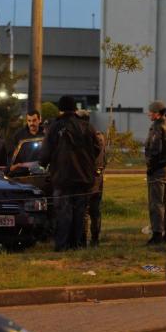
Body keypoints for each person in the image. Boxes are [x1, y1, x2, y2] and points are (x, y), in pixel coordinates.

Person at [39, 96, 100, 251]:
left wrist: (43, 164)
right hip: (84, 177)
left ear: (60, 109)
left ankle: (62, 244)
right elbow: (97, 149)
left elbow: (45, 153)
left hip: (62, 177)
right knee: (80, 212)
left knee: (63, 212)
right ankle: (78, 244)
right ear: (75, 109)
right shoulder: (87, 127)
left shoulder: (55, 127)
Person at [145, 100, 166, 245]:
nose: (148, 114)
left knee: (156, 203)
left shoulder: (157, 128)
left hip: (157, 170)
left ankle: (157, 234)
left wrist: (151, 166)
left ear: (157, 114)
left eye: (150, 112)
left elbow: (155, 149)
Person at [81, 117, 106, 247]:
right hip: (99, 177)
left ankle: (84, 239)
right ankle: (95, 239)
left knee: (85, 210)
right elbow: (104, 159)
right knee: (95, 211)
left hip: (87, 177)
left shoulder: (86, 136)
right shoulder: (100, 136)